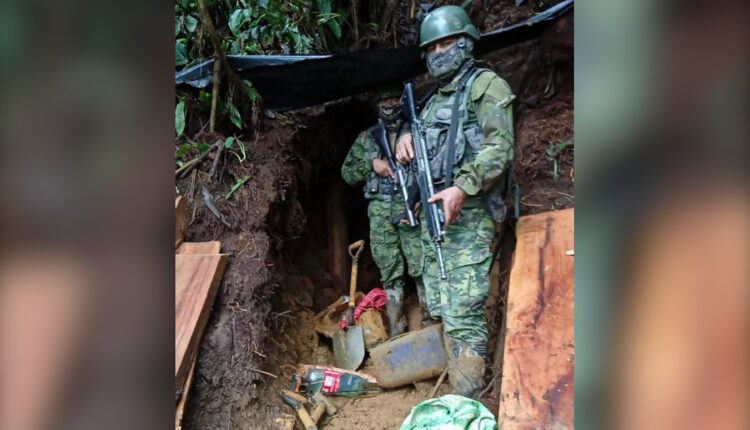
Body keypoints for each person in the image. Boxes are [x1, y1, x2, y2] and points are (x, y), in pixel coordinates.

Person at [395, 5, 515, 397]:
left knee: (463, 314)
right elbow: (423, 151)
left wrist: (463, 186)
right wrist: (404, 140)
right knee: (442, 308)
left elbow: (500, 148)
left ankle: (468, 406)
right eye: (432, 48)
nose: (439, 52)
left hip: (470, 218)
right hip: (434, 219)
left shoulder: (485, 86)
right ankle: (457, 389)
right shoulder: (430, 102)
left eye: (447, 42)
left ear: (466, 42)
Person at [341, 86, 430, 337]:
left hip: (410, 207)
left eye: (394, 100)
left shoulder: (415, 131)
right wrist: (371, 164)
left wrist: (420, 201)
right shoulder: (366, 138)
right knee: (389, 269)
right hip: (380, 212)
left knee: (421, 264)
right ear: (376, 105)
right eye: (385, 101)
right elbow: (347, 173)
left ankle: (430, 321)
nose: (390, 106)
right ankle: (396, 327)